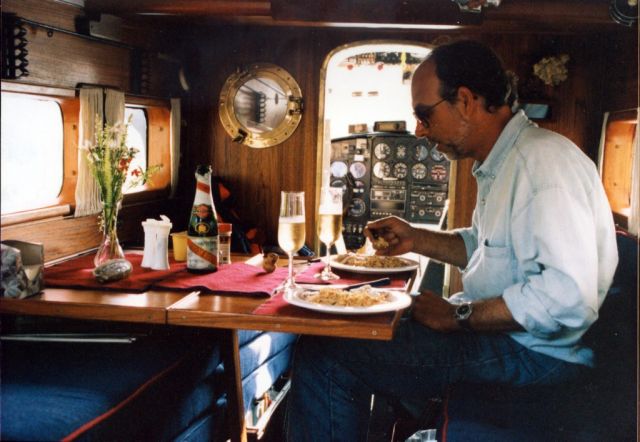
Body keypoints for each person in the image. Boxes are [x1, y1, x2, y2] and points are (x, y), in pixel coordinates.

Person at [284, 40, 618, 441]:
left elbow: (565, 298)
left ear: (465, 101)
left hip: (536, 354)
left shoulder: (542, 166)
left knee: (325, 356)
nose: (419, 131)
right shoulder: (504, 161)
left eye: (425, 116)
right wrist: (416, 238)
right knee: (355, 332)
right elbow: (485, 248)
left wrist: (457, 317)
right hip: (517, 340)